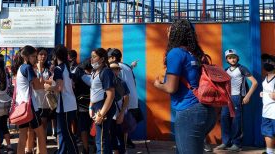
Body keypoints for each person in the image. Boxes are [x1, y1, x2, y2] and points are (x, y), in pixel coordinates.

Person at [153, 19, 216, 154]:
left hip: (189, 112)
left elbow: (171, 88)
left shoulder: (175, 53)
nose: (167, 31)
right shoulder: (196, 54)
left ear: (176, 33)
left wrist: (158, 85)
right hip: (206, 111)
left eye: (170, 29)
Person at [217, 49, 257, 152]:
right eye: (230, 58)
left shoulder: (242, 69)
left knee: (236, 121)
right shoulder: (226, 70)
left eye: (234, 57)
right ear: (227, 59)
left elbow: (255, 83)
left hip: (237, 97)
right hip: (227, 98)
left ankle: (237, 144)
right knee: (224, 119)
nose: (232, 59)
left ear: (237, 58)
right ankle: (226, 142)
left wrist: (247, 96)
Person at [45, 45, 78, 154]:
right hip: (69, 104)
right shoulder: (66, 67)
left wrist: (47, 87)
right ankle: (62, 151)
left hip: (65, 105)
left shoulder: (59, 69)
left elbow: (59, 88)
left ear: (55, 56)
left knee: (67, 133)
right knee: (63, 132)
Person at [107, 48, 142, 149]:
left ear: (113, 57)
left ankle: (121, 147)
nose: (107, 60)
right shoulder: (126, 66)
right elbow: (133, 82)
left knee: (119, 128)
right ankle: (126, 145)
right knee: (125, 127)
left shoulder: (115, 68)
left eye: (108, 57)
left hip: (124, 100)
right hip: (133, 99)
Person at [15, 46, 47, 154]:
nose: (36, 59)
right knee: (41, 134)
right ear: (26, 57)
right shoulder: (28, 68)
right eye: (33, 56)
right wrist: (40, 70)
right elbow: (38, 86)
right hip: (30, 105)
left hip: (21, 105)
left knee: (23, 134)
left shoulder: (21, 68)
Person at [89, 48, 116, 154]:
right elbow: (93, 90)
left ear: (102, 59)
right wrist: (91, 106)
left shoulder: (106, 72)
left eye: (94, 57)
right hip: (96, 106)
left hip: (103, 106)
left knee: (100, 141)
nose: (92, 59)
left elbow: (111, 95)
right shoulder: (95, 72)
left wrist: (101, 114)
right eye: (91, 57)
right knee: (102, 139)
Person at [72, 58, 93, 154]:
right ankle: (90, 148)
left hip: (82, 105)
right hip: (91, 105)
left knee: (84, 128)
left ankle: (86, 149)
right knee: (91, 127)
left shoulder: (78, 72)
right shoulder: (93, 75)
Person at [109, 62, 130, 154]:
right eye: (112, 69)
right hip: (108, 115)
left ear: (118, 71)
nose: (114, 71)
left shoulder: (122, 83)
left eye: (116, 69)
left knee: (119, 137)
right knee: (110, 137)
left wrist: (121, 114)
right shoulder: (105, 82)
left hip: (118, 114)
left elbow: (126, 99)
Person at [260, 53, 275, 154]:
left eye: (270, 61)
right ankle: (270, 152)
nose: (267, 63)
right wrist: (263, 93)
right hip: (266, 112)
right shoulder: (265, 79)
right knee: (267, 133)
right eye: (265, 61)